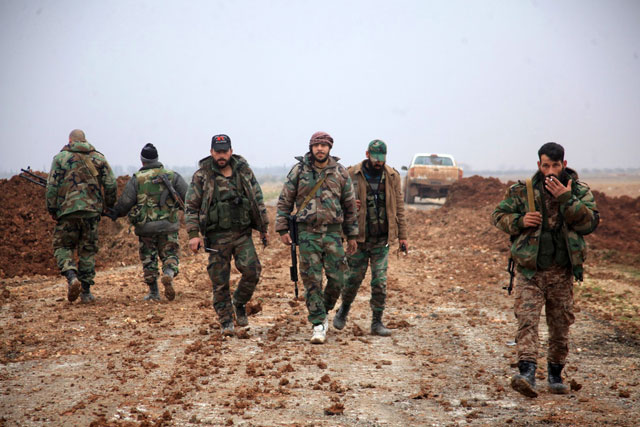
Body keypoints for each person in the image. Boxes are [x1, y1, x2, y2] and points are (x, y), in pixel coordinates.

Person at [492, 142, 599, 397]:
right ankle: (526, 372)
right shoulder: (522, 192)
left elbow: (589, 223)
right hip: (531, 272)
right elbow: (498, 216)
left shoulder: (579, 192)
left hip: (561, 272)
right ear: (539, 165)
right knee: (527, 322)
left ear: (564, 164)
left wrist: (565, 198)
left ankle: (555, 373)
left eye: (555, 165)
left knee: (560, 325)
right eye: (545, 165)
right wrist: (519, 221)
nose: (550, 171)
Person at [276, 131, 358, 344]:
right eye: (316, 145)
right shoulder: (299, 171)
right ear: (311, 148)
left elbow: (350, 206)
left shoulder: (340, 172)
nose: (320, 149)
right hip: (307, 234)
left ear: (330, 148)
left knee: (338, 278)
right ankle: (318, 323)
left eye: (324, 145)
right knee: (311, 280)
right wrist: (282, 229)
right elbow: (285, 201)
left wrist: (352, 236)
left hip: (333, 233)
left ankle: (323, 309)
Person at [185, 134, 269, 336]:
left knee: (252, 271)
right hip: (216, 237)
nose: (221, 155)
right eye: (217, 151)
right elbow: (191, 207)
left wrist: (263, 228)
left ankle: (239, 303)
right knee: (219, 281)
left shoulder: (244, 172)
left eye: (224, 151)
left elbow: (257, 199)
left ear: (231, 151)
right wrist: (194, 234)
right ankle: (225, 321)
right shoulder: (202, 176)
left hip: (242, 234)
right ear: (211, 152)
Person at [333, 139, 408, 336]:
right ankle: (344, 310)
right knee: (352, 280)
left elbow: (399, 206)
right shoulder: (352, 174)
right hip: (358, 239)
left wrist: (403, 236)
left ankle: (377, 322)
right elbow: (337, 201)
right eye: (375, 158)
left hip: (381, 240)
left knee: (380, 282)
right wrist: (348, 205)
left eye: (382, 158)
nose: (378, 162)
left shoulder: (392, 176)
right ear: (367, 154)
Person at [106, 143, 188, 301]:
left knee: (148, 259)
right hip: (169, 226)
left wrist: (115, 213)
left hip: (145, 228)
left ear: (142, 161)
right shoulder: (173, 176)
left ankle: (154, 293)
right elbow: (188, 196)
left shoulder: (137, 179)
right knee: (170, 254)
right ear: (157, 158)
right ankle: (169, 274)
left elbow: (125, 203)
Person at [45, 129, 117, 303]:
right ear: (85, 140)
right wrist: (108, 205)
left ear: (69, 140)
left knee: (63, 246)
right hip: (91, 212)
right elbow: (110, 184)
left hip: (67, 212)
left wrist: (52, 209)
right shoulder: (98, 158)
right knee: (87, 250)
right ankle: (85, 292)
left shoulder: (60, 159)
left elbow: (52, 186)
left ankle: (71, 276)